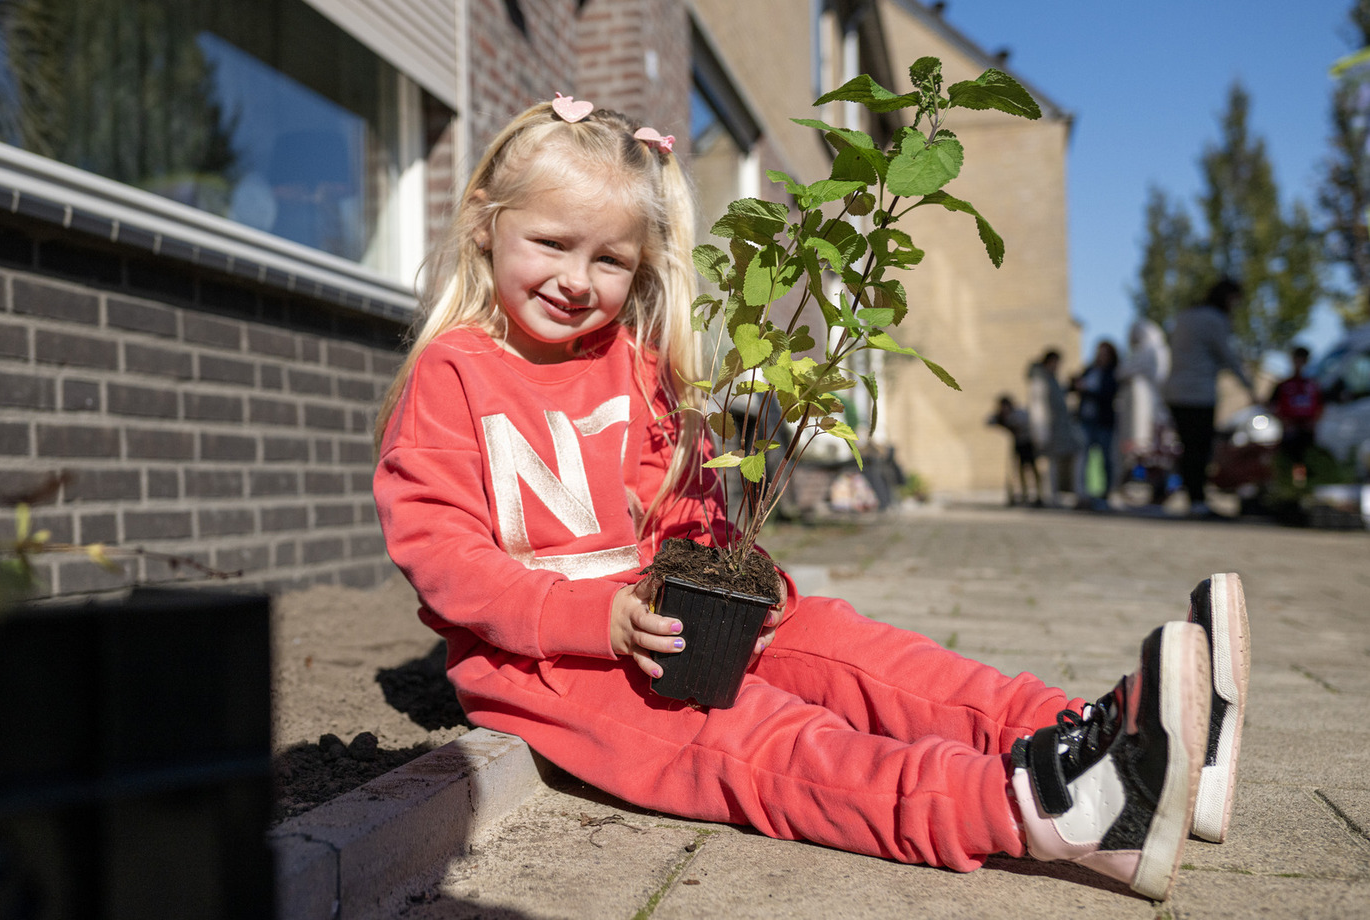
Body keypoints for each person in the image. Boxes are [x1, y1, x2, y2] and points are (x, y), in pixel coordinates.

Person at [371, 95, 1251, 900]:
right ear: (487, 226)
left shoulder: (632, 365)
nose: (578, 280)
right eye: (553, 245)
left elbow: (685, 510)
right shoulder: (455, 371)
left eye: (611, 260)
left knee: (866, 656)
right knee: (771, 746)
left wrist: (736, 575)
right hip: (550, 670)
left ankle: (1118, 746)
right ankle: (1045, 810)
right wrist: (584, 621)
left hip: (671, 620)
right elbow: (444, 557)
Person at [1161, 278, 1256, 518]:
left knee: (1188, 448)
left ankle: (1193, 498)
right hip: (1198, 394)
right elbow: (1227, 355)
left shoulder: (1185, 316)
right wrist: (1250, 388)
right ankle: (1197, 501)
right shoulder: (1215, 319)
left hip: (1175, 392)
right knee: (1200, 449)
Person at [1116, 319, 1173, 504]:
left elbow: (1122, 372)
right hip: (1156, 411)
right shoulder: (1162, 351)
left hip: (1147, 413)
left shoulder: (1148, 352)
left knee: (1146, 453)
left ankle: (1157, 490)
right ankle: (1156, 490)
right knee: (1152, 454)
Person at [1070, 340, 1120, 510]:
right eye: (1099, 352)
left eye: (1105, 353)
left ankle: (1104, 495)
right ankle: (1084, 495)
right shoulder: (1090, 370)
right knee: (1084, 459)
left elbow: (1108, 394)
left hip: (1103, 422)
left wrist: (1088, 390)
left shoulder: (1112, 373)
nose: (1101, 356)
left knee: (1105, 458)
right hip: (1086, 421)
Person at [1026, 349, 1080, 507]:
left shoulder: (1051, 379)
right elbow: (1037, 407)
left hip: (1059, 430)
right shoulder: (1039, 380)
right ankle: (1049, 496)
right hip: (1048, 429)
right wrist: (1040, 431)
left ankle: (1055, 494)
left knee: (1063, 458)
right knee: (1050, 464)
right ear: (1050, 362)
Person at [1267, 346, 1324, 486]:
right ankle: (1284, 486)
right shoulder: (1284, 385)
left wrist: (1314, 421)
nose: (1299, 363)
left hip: (1307, 429)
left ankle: (1301, 487)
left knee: (1305, 459)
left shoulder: (1313, 384)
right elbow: (1271, 405)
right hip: (1289, 429)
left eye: (1302, 360)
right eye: (1297, 359)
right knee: (1286, 457)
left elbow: (1322, 405)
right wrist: (1284, 421)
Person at [987, 394, 1041, 506]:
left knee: (1031, 468)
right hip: (1019, 444)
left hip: (1027, 443)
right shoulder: (1004, 416)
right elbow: (989, 421)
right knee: (1020, 470)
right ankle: (1024, 493)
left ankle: (1039, 494)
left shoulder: (1018, 414)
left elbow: (1021, 424)